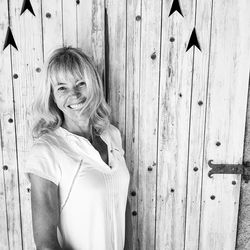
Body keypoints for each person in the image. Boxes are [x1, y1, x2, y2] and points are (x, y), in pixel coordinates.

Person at [24, 46, 132, 250]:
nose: (74, 94)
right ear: (52, 96)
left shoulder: (112, 135)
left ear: (94, 86)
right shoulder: (46, 151)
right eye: (62, 88)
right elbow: (46, 244)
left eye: (81, 83)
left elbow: (121, 204)